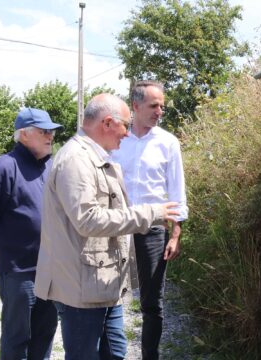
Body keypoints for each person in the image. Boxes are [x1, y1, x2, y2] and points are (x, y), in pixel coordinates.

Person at [34, 93, 179, 360]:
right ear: (108, 123)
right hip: (81, 288)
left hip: (102, 284)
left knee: (115, 353)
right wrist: (149, 213)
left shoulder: (97, 155)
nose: (127, 133)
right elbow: (88, 219)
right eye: (125, 124)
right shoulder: (76, 160)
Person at [0, 108, 62, 360]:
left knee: (45, 333)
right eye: (44, 131)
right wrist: (3, 248)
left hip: (51, 269)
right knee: (17, 337)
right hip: (18, 271)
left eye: (52, 131)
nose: (50, 136)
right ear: (24, 134)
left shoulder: (52, 167)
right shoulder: (3, 168)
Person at [112, 80, 188, 360]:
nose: (159, 112)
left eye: (162, 106)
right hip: (117, 228)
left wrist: (176, 234)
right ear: (135, 106)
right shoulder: (116, 141)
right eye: (153, 105)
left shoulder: (168, 142)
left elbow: (177, 190)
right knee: (110, 295)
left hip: (154, 230)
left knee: (152, 303)